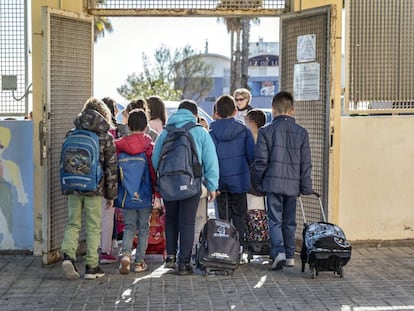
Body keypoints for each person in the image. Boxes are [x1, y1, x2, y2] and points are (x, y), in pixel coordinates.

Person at [152, 100, 219, 275]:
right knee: (187, 222)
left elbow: (155, 159)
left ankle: (171, 257)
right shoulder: (199, 131)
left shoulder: (165, 132)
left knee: (171, 219)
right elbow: (211, 160)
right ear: (195, 114)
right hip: (191, 183)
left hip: (168, 184)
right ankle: (184, 264)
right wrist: (212, 186)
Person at [252, 91, 313, 270]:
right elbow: (306, 163)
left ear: (273, 109)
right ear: (292, 110)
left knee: (275, 220)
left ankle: (277, 252)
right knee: (290, 220)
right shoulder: (302, 133)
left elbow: (260, 162)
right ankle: (290, 255)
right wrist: (305, 186)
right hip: (293, 185)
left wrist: (258, 183)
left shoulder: (266, 131)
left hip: (273, 184)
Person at [61, 97, 118, 280]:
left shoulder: (72, 133)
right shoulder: (106, 137)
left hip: (73, 185)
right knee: (93, 226)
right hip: (95, 188)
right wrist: (111, 195)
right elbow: (111, 168)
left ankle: (68, 255)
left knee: (73, 223)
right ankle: (92, 267)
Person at [115, 109, 161, 274]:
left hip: (126, 194)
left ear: (128, 125)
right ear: (146, 126)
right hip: (145, 194)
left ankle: (126, 254)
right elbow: (153, 171)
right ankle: (139, 262)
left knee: (129, 226)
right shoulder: (149, 146)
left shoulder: (119, 145)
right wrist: (157, 192)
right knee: (143, 228)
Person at [209, 95, 255, 255]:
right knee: (240, 215)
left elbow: (209, 159)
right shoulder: (244, 131)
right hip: (240, 179)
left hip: (219, 180)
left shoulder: (211, 133)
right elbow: (251, 156)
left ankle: (224, 250)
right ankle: (240, 249)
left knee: (223, 217)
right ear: (235, 111)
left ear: (216, 113)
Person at [99, 97, 128, 264]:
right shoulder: (119, 130)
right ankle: (108, 248)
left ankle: (100, 247)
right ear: (114, 111)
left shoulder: (95, 131)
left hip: (95, 177)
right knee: (110, 212)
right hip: (115, 176)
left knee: (98, 214)